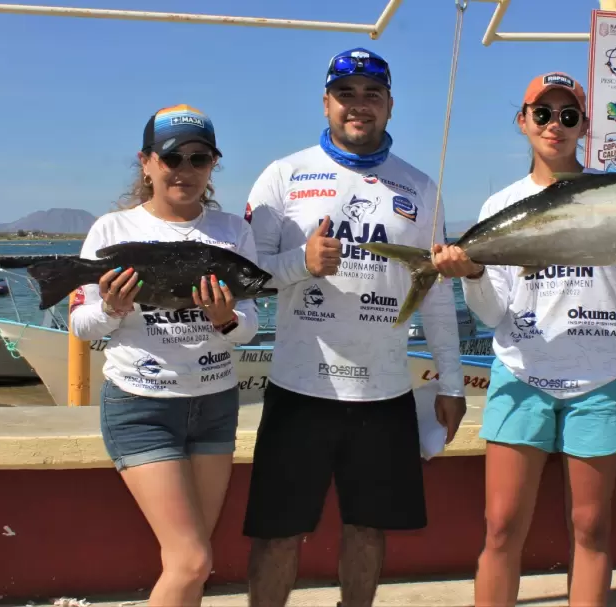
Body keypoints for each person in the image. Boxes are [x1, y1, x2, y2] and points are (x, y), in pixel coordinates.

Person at [241, 47, 468, 607]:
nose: (358, 106)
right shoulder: (282, 175)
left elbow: (435, 292)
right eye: (346, 94)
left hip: (384, 391)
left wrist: (453, 382)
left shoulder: (420, 186)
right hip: (300, 389)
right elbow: (245, 278)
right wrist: (301, 263)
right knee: (279, 533)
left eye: (372, 94)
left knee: (369, 528)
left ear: (390, 104)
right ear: (326, 102)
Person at [431, 72, 616, 607]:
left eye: (568, 115)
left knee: (592, 527)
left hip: (604, 375)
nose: (556, 125)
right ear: (523, 120)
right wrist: (473, 275)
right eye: (543, 113)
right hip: (522, 374)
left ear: (584, 125)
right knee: (502, 527)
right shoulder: (499, 207)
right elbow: (493, 315)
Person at [69, 104, 261, 606]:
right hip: (141, 407)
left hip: (215, 407)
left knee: (191, 562)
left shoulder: (232, 233)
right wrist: (111, 308)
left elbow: (249, 328)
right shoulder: (112, 230)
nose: (185, 169)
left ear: (213, 166)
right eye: (173, 156)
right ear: (147, 162)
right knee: (192, 560)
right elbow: (81, 324)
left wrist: (225, 320)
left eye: (200, 158)